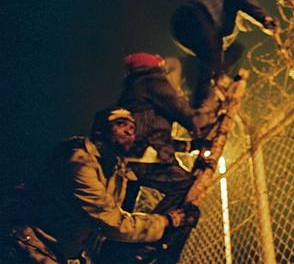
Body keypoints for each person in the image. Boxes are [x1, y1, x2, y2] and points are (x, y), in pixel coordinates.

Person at [0, 107, 188, 263]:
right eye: (120, 124)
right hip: (31, 247)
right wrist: (165, 221)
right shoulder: (79, 163)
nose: (129, 131)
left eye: (132, 127)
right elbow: (112, 223)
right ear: (99, 131)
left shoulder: (115, 168)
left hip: (60, 254)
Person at [98, 53, 215, 263]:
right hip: (148, 158)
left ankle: (112, 256)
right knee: (185, 184)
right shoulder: (152, 80)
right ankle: (150, 238)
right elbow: (186, 114)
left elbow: (154, 132)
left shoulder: (131, 90)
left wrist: (189, 146)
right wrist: (209, 117)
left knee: (124, 215)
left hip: (130, 160)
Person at [170, 0, 278, 108]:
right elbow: (244, 0)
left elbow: (217, 50)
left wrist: (218, 75)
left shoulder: (225, 27)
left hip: (183, 30)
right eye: (248, 23)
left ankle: (204, 94)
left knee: (214, 59)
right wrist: (263, 19)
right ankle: (199, 107)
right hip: (193, 14)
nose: (248, 28)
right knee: (213, 56)